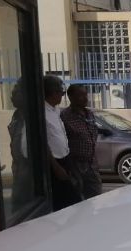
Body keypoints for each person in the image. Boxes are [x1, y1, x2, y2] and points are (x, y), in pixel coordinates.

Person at [42, 75, 79, 209]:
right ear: (53, 93)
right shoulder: (42, 113)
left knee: (74, 200)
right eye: (61, 93)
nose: (63, 96)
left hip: (65, 159)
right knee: (67, 202)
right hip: (54, 164)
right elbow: (43, 144)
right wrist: (56, 167)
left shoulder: (55, 109)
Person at [60, 84, 102, 199]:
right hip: (75, 166)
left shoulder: (89, 114)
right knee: (77, 199)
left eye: (85, 94)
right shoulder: (64, 116)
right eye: (80, 95)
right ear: (71, 97)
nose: (85, 98)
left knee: (96, 197)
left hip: (91, 165)